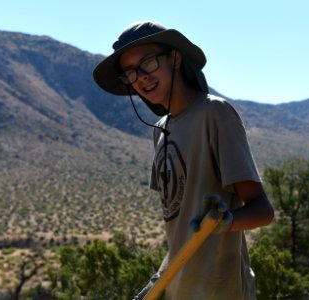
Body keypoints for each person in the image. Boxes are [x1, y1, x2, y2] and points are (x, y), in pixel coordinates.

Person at [93, 21, 274, 300]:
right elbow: (180, 228)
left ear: (175, 58)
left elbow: (263, 211)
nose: (141, 77)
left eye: (148, 63)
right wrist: (159, 279)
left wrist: (226, 222)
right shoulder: (161, 131)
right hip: (180, 290)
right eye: (130, 72)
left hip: (220, 290)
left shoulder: (214, 114)